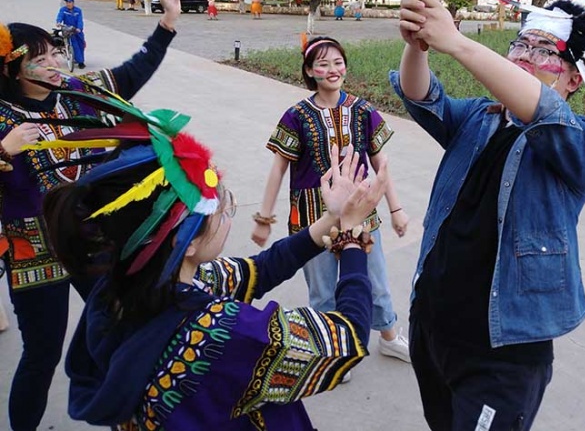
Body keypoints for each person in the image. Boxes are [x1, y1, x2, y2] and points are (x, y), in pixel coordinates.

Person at [37, 101, 385, 429]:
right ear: (183, 242)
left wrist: (332, 219)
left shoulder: (127, 287)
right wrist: (352, 240)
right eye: (221, 210)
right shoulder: (220, 334)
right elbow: (346, 339)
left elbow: (259, 270)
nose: (228, 217)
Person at [392, 0, 585, 430]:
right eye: (521, 43)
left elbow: (542, 110)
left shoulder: (581, 141)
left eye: (544, 49)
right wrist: (418, 46)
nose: (526, 54)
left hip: (503, 353)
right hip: (432, 323)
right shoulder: (478, 118)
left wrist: (457, 42)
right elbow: (420, 95)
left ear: (572, 79)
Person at [0, 0, 182, 431]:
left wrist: (167, 24)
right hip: (34, 254)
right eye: (40, 58)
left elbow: (130, 74)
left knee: (119, 329)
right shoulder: (2, 119)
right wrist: (4, 150)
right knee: (42, 354)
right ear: (12, 68)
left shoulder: (78, 93)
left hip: (90, 240)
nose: (55, 63)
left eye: (56, 53)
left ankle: (127, 416)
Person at [253, 35, 412, 370]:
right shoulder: (296, 116)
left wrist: (396, 209)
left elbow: (381, 165)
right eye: (323, 64)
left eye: (338, 62)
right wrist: (264, 218)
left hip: (361, 209)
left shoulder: (363, 111)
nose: (332, 69)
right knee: (323, 291)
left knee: (375, 281)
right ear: (310, 71)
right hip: (313, 216)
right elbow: (279, 168)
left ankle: (388, 336)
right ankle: (332, 352)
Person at [55, 0, 87, 69]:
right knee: (75, 45)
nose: (68, 4)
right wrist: (58, 22)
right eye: (67, 2)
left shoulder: (78, 10)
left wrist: (79, 28)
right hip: (68, 30)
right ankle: (80, 62)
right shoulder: (63, 10)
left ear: (73, 3)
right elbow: (60, 16)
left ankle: (78, 59)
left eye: (69, 2)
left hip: (77, 30)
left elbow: (80, 20)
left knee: (81, 45)